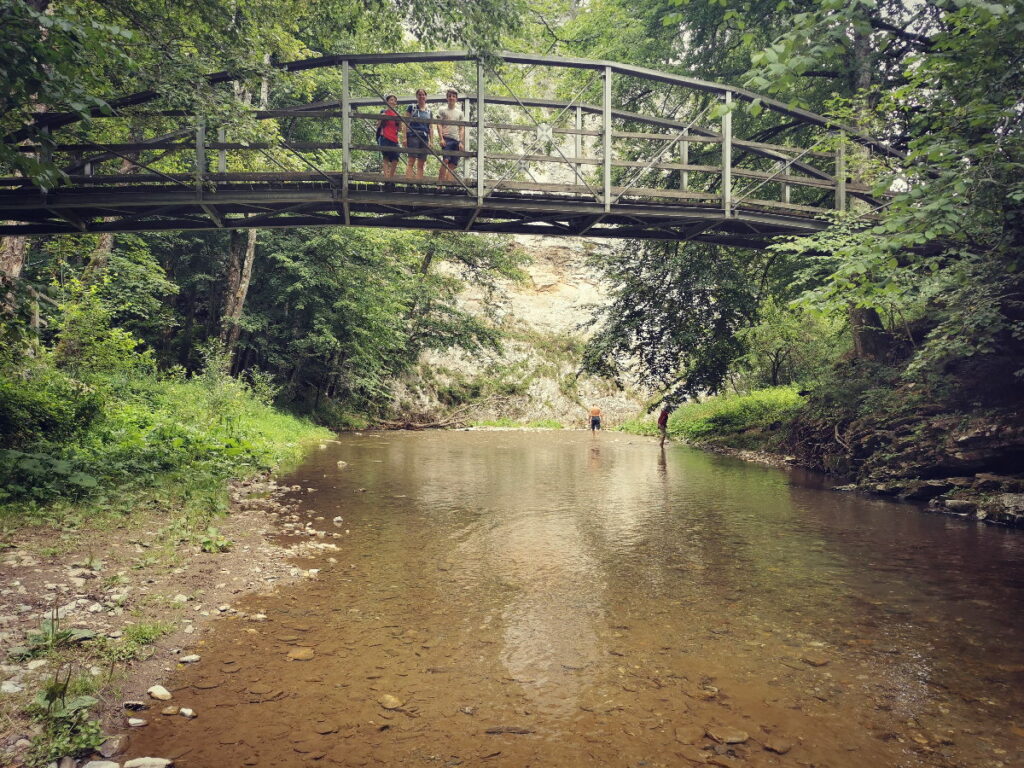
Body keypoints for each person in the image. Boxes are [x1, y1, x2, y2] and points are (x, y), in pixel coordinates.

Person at [436, 88, 465, 182]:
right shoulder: (442, 110)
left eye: (453, 96)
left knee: (453, 164)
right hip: (446, 138)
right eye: (449, 96)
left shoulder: (460, 113)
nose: (451, 98)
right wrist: (441, 138)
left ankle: (448, 185)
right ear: (447, 98)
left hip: (456, 140)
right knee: (445, 161)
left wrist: (460, 142)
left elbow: (461, 128)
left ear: (456, 99)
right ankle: (440, 185)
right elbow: (439, 124)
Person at [404, 89, 432, 179]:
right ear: (417, 96)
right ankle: (409, 182)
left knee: (421, 162)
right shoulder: (411, 107)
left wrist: (431, 141)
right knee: (411, 160)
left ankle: (418, 182)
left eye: (423, 95)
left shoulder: (429, 111)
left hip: (424, 137)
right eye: (419, 95)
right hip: (413, 136)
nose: (421, 96)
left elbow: (430, 127)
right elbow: (405, 123)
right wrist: (404, 137)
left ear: (426, 97)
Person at [376, 94, 401, 181]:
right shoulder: (384, 112)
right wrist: (381, 118)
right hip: (385, 137)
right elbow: (378, 125)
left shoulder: (397, 114)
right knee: (386, 158)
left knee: (395, 159)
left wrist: (400, 121)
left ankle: (390, 178)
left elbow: (400, 129)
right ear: (387, 102)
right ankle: (386, 178)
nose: (393, 102)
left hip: (394, 138)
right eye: (391, 100)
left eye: (394, 100)